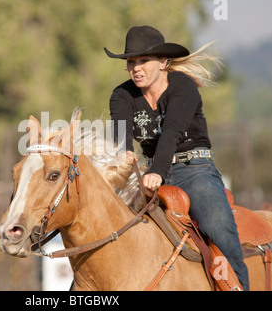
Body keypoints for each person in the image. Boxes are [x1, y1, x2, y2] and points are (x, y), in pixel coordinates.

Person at [105, 25, 249, 290]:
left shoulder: (183, 86)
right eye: (130, 62)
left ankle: (238, 285)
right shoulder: (121, 95)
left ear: (163, 61)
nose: (136, 68)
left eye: (143, 60)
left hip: (194, 169)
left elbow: (172, 131)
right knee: (106, 225)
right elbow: (121, 138)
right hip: (148, 173)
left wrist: (157, 172)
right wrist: (124, 158)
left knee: (218, 226)